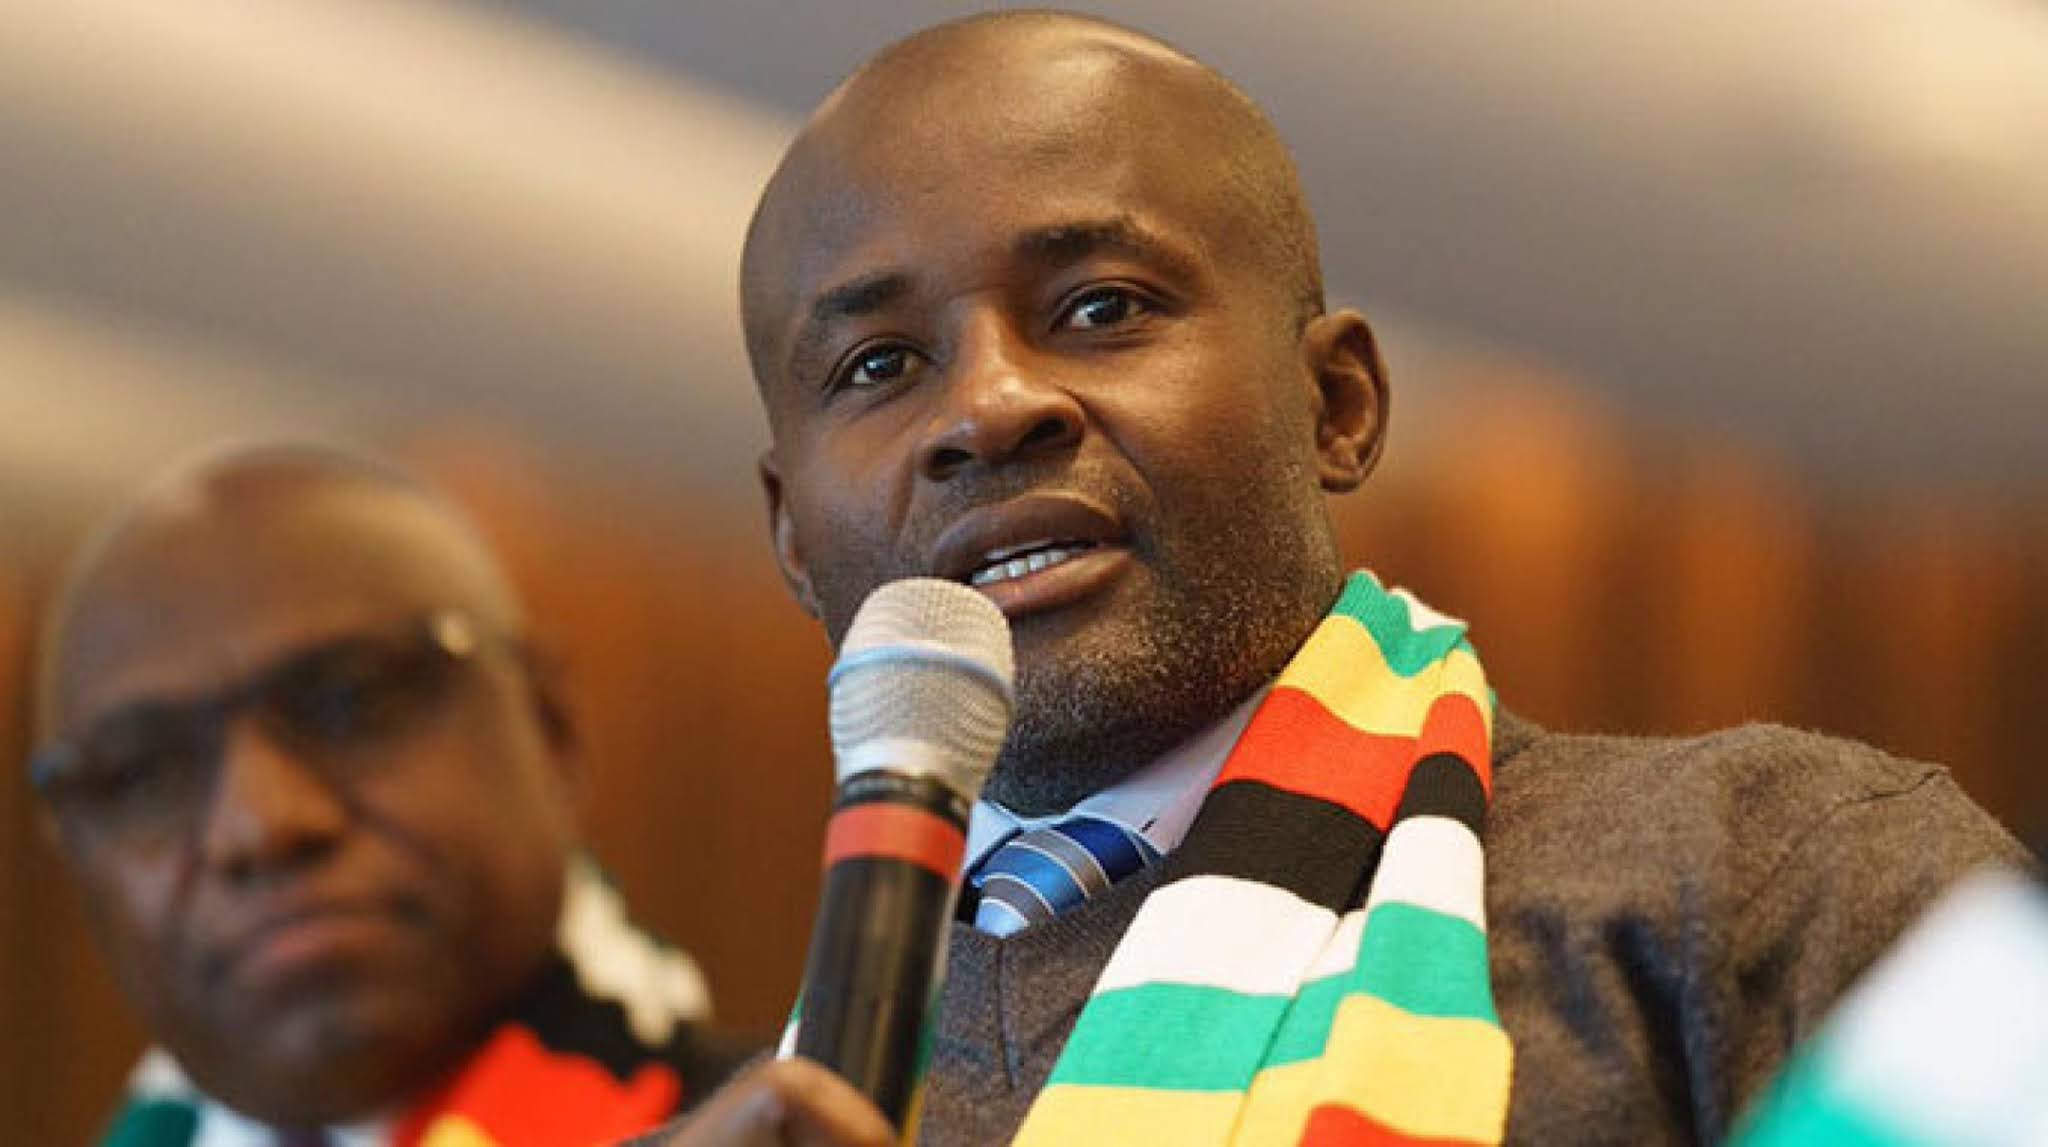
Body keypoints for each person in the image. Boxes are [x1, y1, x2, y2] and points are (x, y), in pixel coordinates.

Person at [639, 11, 2031, 1146]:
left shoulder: (1770, 876)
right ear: (791, 539)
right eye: (878, 364)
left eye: (1101, 306)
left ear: (1336, 405)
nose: (988, 406)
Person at [30, 444, 751, 1146]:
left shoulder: (793, 1125)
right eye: (147, 776)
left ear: (549, 728)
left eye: (350, 702)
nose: (262, 822)